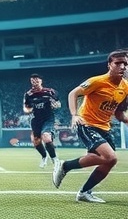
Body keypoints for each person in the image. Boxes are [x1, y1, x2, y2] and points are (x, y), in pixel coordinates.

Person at [53, 50, 128, 203]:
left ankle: (84, 192)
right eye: (118, 63)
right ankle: (65, 166)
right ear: (109, 65)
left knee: (109, 161)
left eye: (125, 63)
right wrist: (74, 115)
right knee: (110, 156)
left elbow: (119, 113)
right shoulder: (97, 81)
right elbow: (73, 94)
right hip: (86, 123)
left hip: (104, 127)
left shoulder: (125, 87)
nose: (122, 66)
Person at [22, 74, 61, 169]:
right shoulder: (28, 94)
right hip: (36, 120)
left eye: (36, 80)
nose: (35, 83)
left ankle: (55, 159)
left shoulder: (50, 91)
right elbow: (26, 107)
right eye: (32, 81)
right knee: (36, 141)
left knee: (46, 137)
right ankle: (44, 157)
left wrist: (56, 105)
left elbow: (58, 103)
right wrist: (28, 110)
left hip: (48, 118)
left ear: (41, 81)